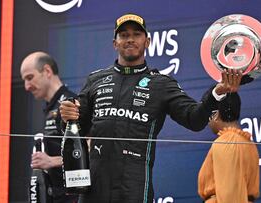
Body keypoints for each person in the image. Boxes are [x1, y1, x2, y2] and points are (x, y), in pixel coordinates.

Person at [59, 13, 242, 203]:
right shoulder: (95, 80)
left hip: (134, 186)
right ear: (115, 43)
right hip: (95, 186)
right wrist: (66, 117)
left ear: (147, 41)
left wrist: (217, 93)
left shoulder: (161, 84)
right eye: (123, 35)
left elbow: (194, 119)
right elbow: (76, 127)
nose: (130, 39)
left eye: (136, 34)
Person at [20, 51, 78, 203]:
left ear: (47, 71)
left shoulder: (69, 104)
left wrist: (52, 161)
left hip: (73, 196)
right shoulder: (51, 107)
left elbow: (91, 150)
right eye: (24, 80)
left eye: (30, 78)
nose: (26, 86)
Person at [198, 92, 260, 203]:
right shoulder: (247, 143)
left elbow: (230, 192)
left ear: (215, 115)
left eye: (207, 112)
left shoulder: (227, 143)